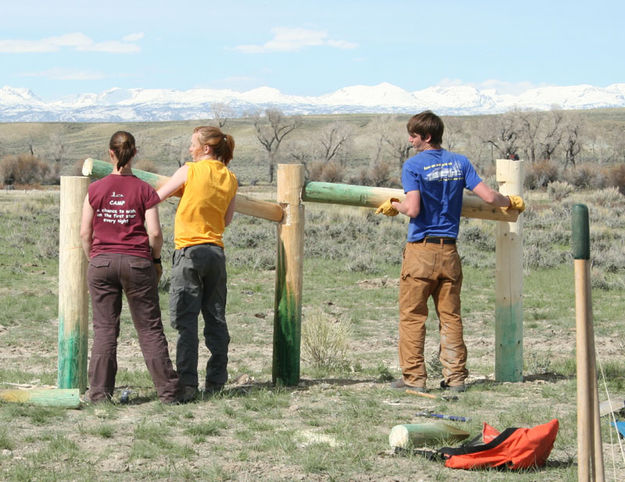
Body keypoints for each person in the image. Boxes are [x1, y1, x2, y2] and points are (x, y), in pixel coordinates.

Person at [376, 110, 525, 393]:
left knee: (412, 317)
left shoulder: (413, 166)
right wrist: (512, 201)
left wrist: (395, 205)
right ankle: (456, 379)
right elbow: (490, 197)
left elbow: (414, 208)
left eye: (414, 135)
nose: (410, 140)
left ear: (426, 137)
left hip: (420, 250)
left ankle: (415, 380)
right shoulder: (461, 162)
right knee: (450, 317)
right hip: (450, 252)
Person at [80, 131, 180, 404]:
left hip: (102, 262)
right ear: (134, 153)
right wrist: (156, 261)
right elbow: (156, 234)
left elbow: (83, 233)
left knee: (104, 330)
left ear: (109, 154)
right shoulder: (145, 190)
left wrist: (96, 259)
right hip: (137, 262)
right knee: (149, 329)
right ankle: (169, 392)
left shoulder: (95, 189)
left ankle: (100, 394)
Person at [157, 126, 238, 402]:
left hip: (189, 250)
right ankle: (216, 382)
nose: (190, 149)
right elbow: (226, 220)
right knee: (216, 318)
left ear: (205, 148)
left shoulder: (189, 170)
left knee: (186, 321)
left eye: (193, 144)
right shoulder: (231, 178)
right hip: (215, 252)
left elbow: (157, 196)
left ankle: (188, 384)